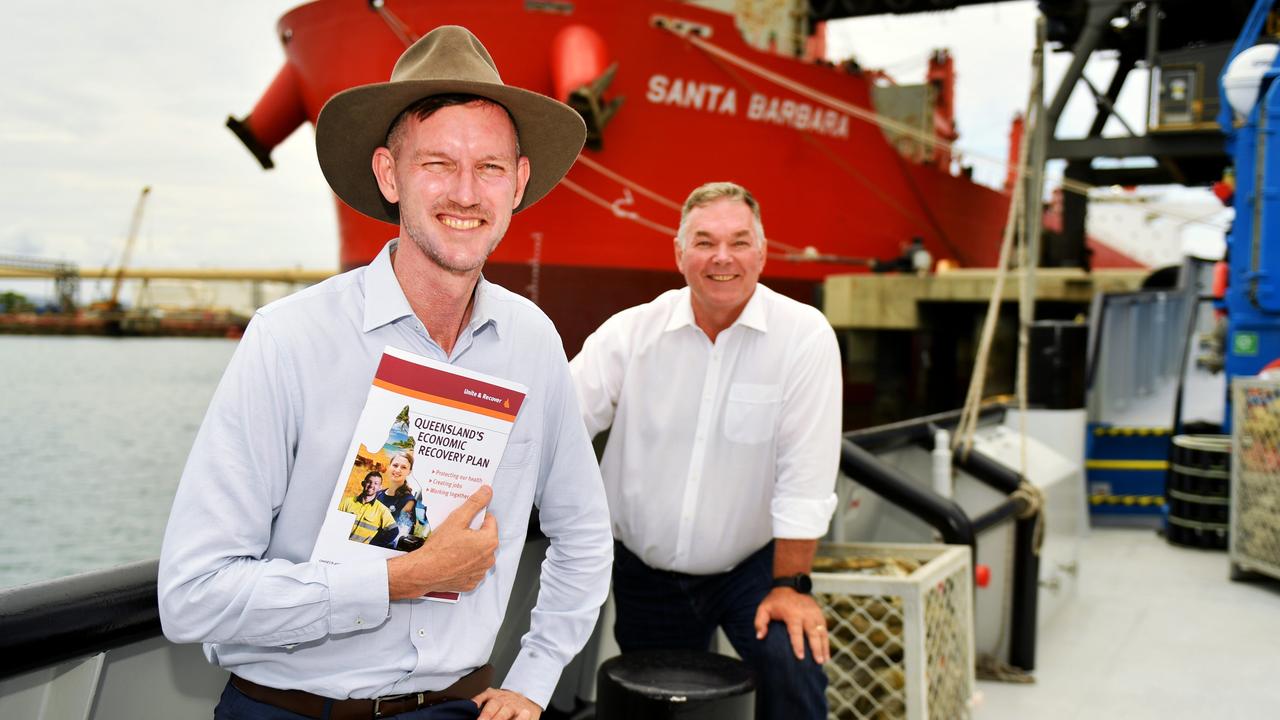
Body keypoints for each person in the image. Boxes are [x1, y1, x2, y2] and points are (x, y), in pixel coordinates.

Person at [158, 25, 613, 720]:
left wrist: (535, 677)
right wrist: (402, 579)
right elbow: (191, 597)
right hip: (288, 709)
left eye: (490, 167)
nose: (466, 192)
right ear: (388, 175)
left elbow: (583, 534)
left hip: (460, 706)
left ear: (518, 183)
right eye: (437, 163)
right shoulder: (288, 341)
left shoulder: (533, 343)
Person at [570, 181, 842, 720]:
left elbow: (805, 475)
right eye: (704, 242)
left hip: (754, 568)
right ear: (679, 253)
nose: (722, 257)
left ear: (762, 253)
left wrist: (791, 586)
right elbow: (560, 420)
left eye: (740, 242)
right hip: (647, 572)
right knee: (660, 705)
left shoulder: (804, 336)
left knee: (794, 667)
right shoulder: (630, 334)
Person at [339, 471, 400, 546]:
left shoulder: (382, 510)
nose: (371, 485)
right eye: (369, 482)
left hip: (360, 551)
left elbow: (394, 531)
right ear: (363, 483)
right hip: (340, 544)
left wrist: (372, 545)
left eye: (376, 483)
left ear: (380, 487)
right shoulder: (346, 502)